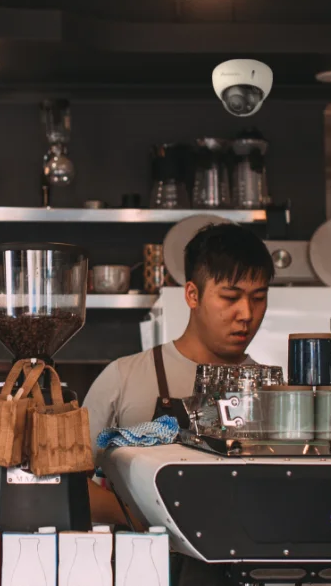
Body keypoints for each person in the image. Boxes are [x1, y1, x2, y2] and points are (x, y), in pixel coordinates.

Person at [84, 223, 273, 521]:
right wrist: (140, 520)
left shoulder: (273, 393)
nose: (247, 313)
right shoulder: (124, 377)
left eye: (258, 298)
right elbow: (68, 483)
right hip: (147, 548)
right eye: (230, 297)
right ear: (192, 295)